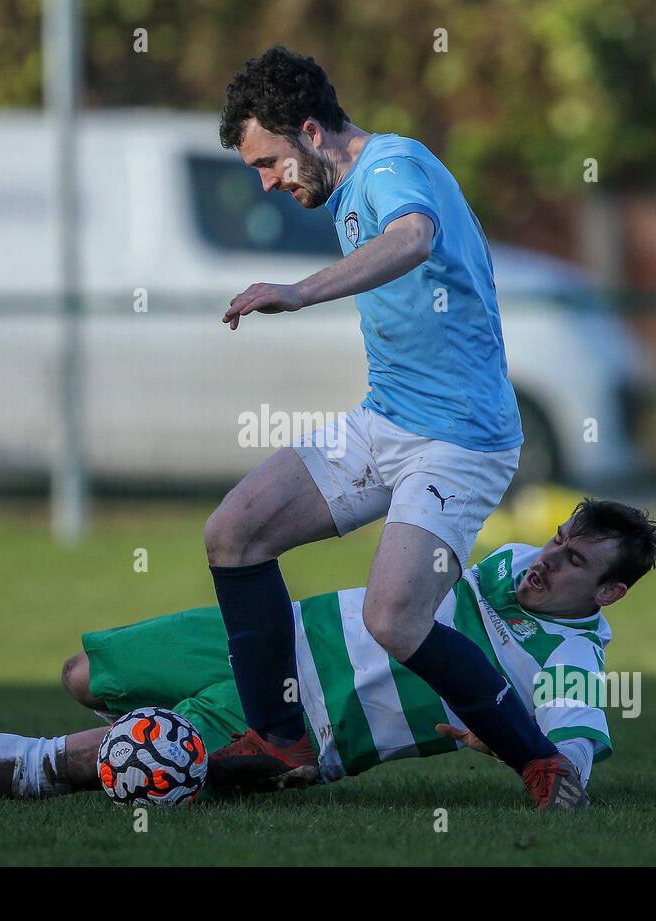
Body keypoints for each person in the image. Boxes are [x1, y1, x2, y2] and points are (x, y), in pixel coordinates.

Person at [206, 45, 569, 800]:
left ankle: (541, 760)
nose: (269, 182)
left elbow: (413, 238)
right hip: (386, 421)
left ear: (310, 129)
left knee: (394, 620)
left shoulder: (389, 165)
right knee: (233, 533)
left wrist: (300, 293)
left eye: (270, 162)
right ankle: (280, 741)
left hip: (460, 440)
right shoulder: (349, 190)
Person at [0, 499, 656, 811]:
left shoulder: (568, 668)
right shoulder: (511, 567)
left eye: (572, 563)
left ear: (608, 596)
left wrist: (483, 732)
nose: (545, 561)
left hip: (305, 718)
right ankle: (169, 755)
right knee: (80, 677)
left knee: (95, 762)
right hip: (276, 634)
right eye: (557, 541)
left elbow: (569, 779)